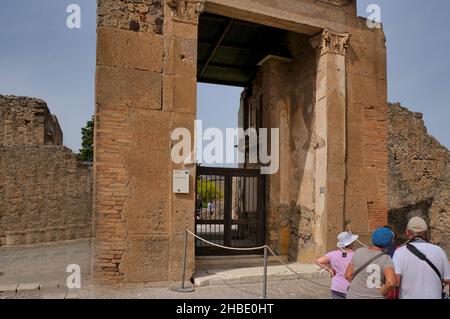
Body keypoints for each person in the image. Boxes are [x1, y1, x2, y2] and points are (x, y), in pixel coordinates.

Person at [393, 215, 450, 299]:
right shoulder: (439, 250)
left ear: (407, 232)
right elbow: (447, 279)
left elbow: (396, 282)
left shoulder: (399, 252)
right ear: (426, 233)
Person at [345, 227, 396, 299]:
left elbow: (348, 275)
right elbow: (391, 282)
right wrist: (383, 291)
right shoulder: (386, 259)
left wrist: (360, 287)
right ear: (390, 242)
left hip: (353, 295)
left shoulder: (358, 251)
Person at [316, 231, 358, 299]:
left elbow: (318, 261)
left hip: (336, 287)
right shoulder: (356, 255)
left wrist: (329, 270)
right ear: (350, 243)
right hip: (351, 287)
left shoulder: (332, 254)